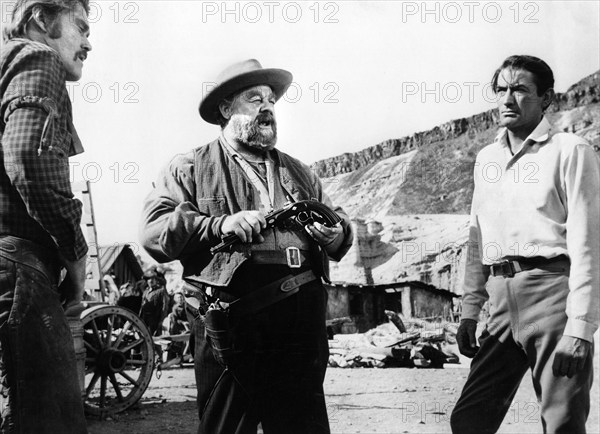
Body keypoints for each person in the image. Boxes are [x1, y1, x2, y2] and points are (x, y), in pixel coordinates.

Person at [140, 58, 353, 433]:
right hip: (233, 326)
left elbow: (339, 224)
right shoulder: (190, 167)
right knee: (227, 427)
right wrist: (219, 224)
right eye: (254, 99)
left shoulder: (301, 172)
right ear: (226, 109)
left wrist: (336, 235)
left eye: (271, 100)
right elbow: (153, 233)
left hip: (301, 328)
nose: (267, 107)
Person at [451, 55, 599, 433]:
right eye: (500, 89)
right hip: (500, 301)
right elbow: (477, 237)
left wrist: (579, 328)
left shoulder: (570, 150)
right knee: (469, 420)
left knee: (562, 421)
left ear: (546, 98)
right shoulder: (486, 159)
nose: (507, 99)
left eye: (520, 89)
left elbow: (588, 243)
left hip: (551, 297)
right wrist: (470, 310)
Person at [0, 0, 92, 432]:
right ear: (41, 19)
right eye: (80, 26)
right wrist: (76, 254)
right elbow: (29, 162)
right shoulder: (38, 56)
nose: (88, 43)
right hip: (17, 271)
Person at [139, 266, 170, 336]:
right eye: (149, 279)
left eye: (153, 279)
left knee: (152, 338)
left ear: (156, 280)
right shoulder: (146, 291)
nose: (151, 281)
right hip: (143, 319)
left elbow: (164, 307)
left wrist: (162, 321)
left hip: (154, 320)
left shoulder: (161, 291)